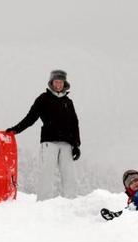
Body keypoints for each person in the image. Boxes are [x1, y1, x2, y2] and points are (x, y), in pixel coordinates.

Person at [5, 70, 81, 201]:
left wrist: (76, 145)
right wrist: (16, 130)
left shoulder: (68, 102)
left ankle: (71, 202)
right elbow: (30, 118)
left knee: (69, 175)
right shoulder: (43, 99)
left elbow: (74, 124)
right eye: (56, 82)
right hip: (49, 142)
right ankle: (43, 203)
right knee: (47, 173)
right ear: (51, 82)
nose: (58, 85)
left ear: (64, 84)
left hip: (67, 144)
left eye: (61, 82)